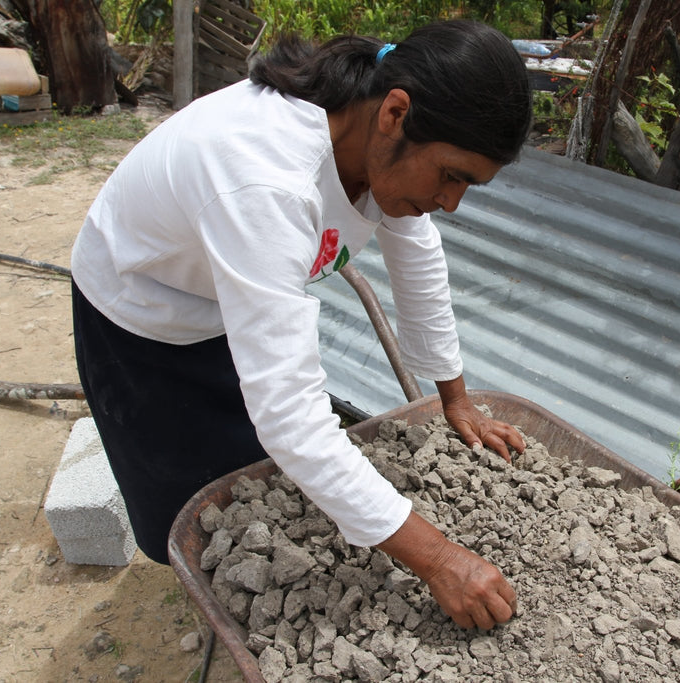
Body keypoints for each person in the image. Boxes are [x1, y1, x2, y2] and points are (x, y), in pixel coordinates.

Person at [70, 19, 533, 631]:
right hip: (140, 312)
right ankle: (204, 604)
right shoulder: (266, 176)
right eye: (452, 176)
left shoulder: (369, 134)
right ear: (396, 113)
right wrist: (440, 558)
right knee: (182, 501)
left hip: (223, 306)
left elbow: (418, 252)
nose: (452, 202)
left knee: (255, 467)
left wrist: (455, 398)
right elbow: (288, 412)